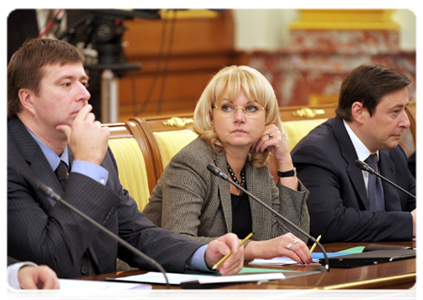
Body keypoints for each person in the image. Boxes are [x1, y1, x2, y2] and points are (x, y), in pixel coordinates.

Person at [5, 38, 244, 279]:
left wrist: (203, 253)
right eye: (66, 84)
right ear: (27, 99)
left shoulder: (98, 151)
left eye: (84, 82)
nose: (84, 94)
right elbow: (51, 257)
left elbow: (134, 233)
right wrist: (86, 164)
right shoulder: (8, 161)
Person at [143, 65, 312, 265]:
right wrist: (256, 248)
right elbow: (179, 242)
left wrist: (285, 162)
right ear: (211, 116)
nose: (239, 118)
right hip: (149, 277)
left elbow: (291, 240)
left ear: (267, 117)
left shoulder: (254, 165)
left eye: (251, 108)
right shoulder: (192, 162)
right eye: (227, 107)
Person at [291, 64, 420, 243]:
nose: (405, 122)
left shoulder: (392, 151)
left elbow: (415, 200)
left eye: (405, 109)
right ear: (359, 112)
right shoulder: (316, 153)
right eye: (395, 112)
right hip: (335, 267)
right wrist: (408, 223)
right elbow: (328, 224)